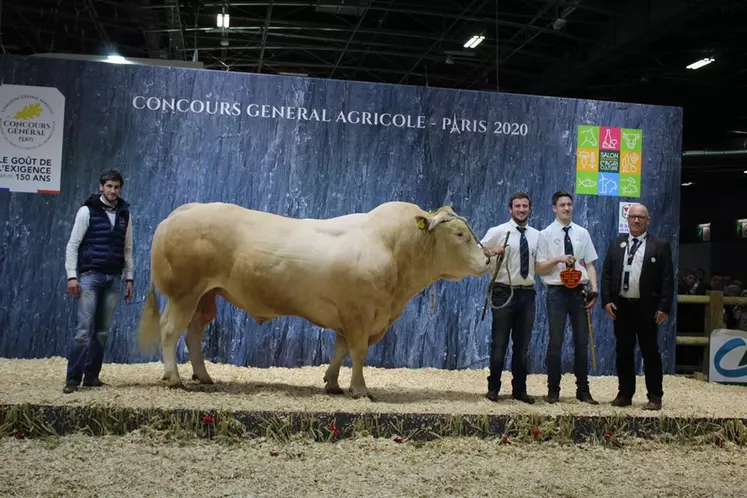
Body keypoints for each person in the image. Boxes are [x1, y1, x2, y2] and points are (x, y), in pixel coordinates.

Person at [63, 170, 134, 393]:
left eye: (116, 187)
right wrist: (72, 276)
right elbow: (73, 245)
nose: (113, 191)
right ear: (101, 187)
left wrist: (129, 278)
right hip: (90, 276)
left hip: (113, 278)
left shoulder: (125, 214)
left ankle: (92, 376)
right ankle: (72, 379)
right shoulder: (87, 211)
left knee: (102, 331)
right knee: (83, 330)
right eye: (109, 186)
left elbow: (128, 249)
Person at [600, 202, 673, 411]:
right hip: (622, 307)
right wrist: (606, 300)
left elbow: (667, 279)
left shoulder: (660, 245)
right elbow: (606, 274)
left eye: (641, 217)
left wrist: (664, 307)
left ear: (648, 221)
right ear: (628, 219)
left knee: (650, 352)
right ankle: (624, 394)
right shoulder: (616, 244)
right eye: (633, 217)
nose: (637, 220)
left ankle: (655, 396)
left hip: (648, 308)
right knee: (623, 352)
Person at [535, 190, 599, 404]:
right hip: (557, 292)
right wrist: (558, 259)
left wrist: (595, 289)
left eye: (569, 204)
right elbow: (540, 269)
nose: (566, 208)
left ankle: (583, 390)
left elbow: (589, 264)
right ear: (554, 208)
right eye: (562, 204)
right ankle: (553, 390)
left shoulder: (582, 233)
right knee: (555, 342)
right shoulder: (545, 234)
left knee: (582, 342)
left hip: (579, 291)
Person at [480, 192, 540, 404]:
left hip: (527, 293)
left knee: (522, 346)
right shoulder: (498, 231)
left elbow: (539, 264)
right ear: (510, 209)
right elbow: (478, 251)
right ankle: (493, 388)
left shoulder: (536, 235)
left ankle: (520, 390)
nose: (521, 209)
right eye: (517, 206)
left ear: (530, 209)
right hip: (503, 291)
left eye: (525, 206)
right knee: (500, 343)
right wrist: (494, 251)